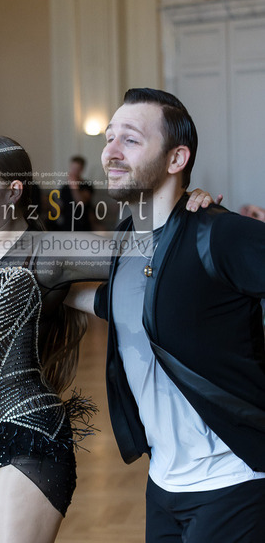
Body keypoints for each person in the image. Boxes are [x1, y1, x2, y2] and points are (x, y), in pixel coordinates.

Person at [0, 5, 216, 543]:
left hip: (27, 435)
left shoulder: (47, 251)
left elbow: (144, 247)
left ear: (13, 191)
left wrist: (189, 204)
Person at [68, 88, 265, 542]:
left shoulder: (218, 233)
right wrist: (36, 289)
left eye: (130, 139)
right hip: (163, 487)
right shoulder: (125, 242)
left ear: (177, 158)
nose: (111, 152)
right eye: (109, 138)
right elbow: (123, 305)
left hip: (235, 482)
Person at [58, 156, 94, 231]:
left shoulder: (87, 185)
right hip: (67, 224)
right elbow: (62, 207)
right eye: (73, 168)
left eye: (77, 169)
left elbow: (81, 202)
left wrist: (74, 185)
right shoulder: (64, 187)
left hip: (82, 224)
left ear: (82, 169)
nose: (74, 172)